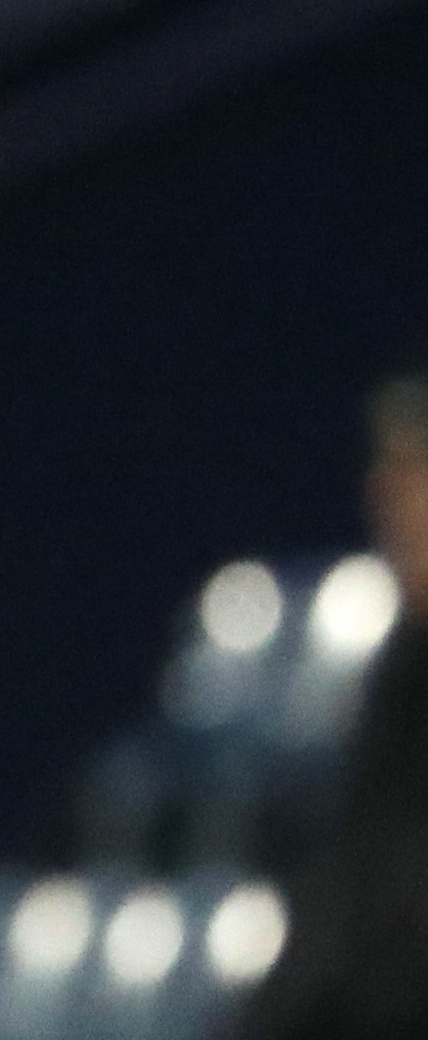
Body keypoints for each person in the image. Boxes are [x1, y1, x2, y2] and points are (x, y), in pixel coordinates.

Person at [239, 375, 428, 1040]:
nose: (385, 493)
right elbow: (348, 908)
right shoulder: (406, 665)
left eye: (415, 468)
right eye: (387, 466)